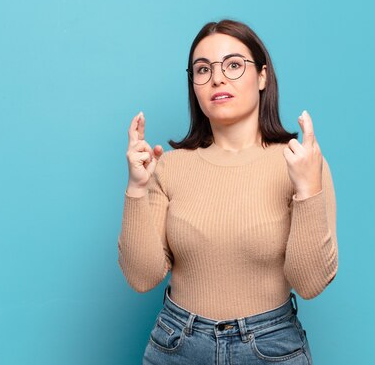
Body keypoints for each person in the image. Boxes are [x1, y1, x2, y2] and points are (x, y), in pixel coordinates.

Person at [118, 19, 338, 364]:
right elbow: (142, 277)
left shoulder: (301, 162)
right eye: (202, 70)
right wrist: (136, 189)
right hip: (178, 345)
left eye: (234, 65)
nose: (217, 78)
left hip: (271, 348)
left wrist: (308, 189)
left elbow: (309, 284)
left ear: (262, 76)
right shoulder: (170, 166)